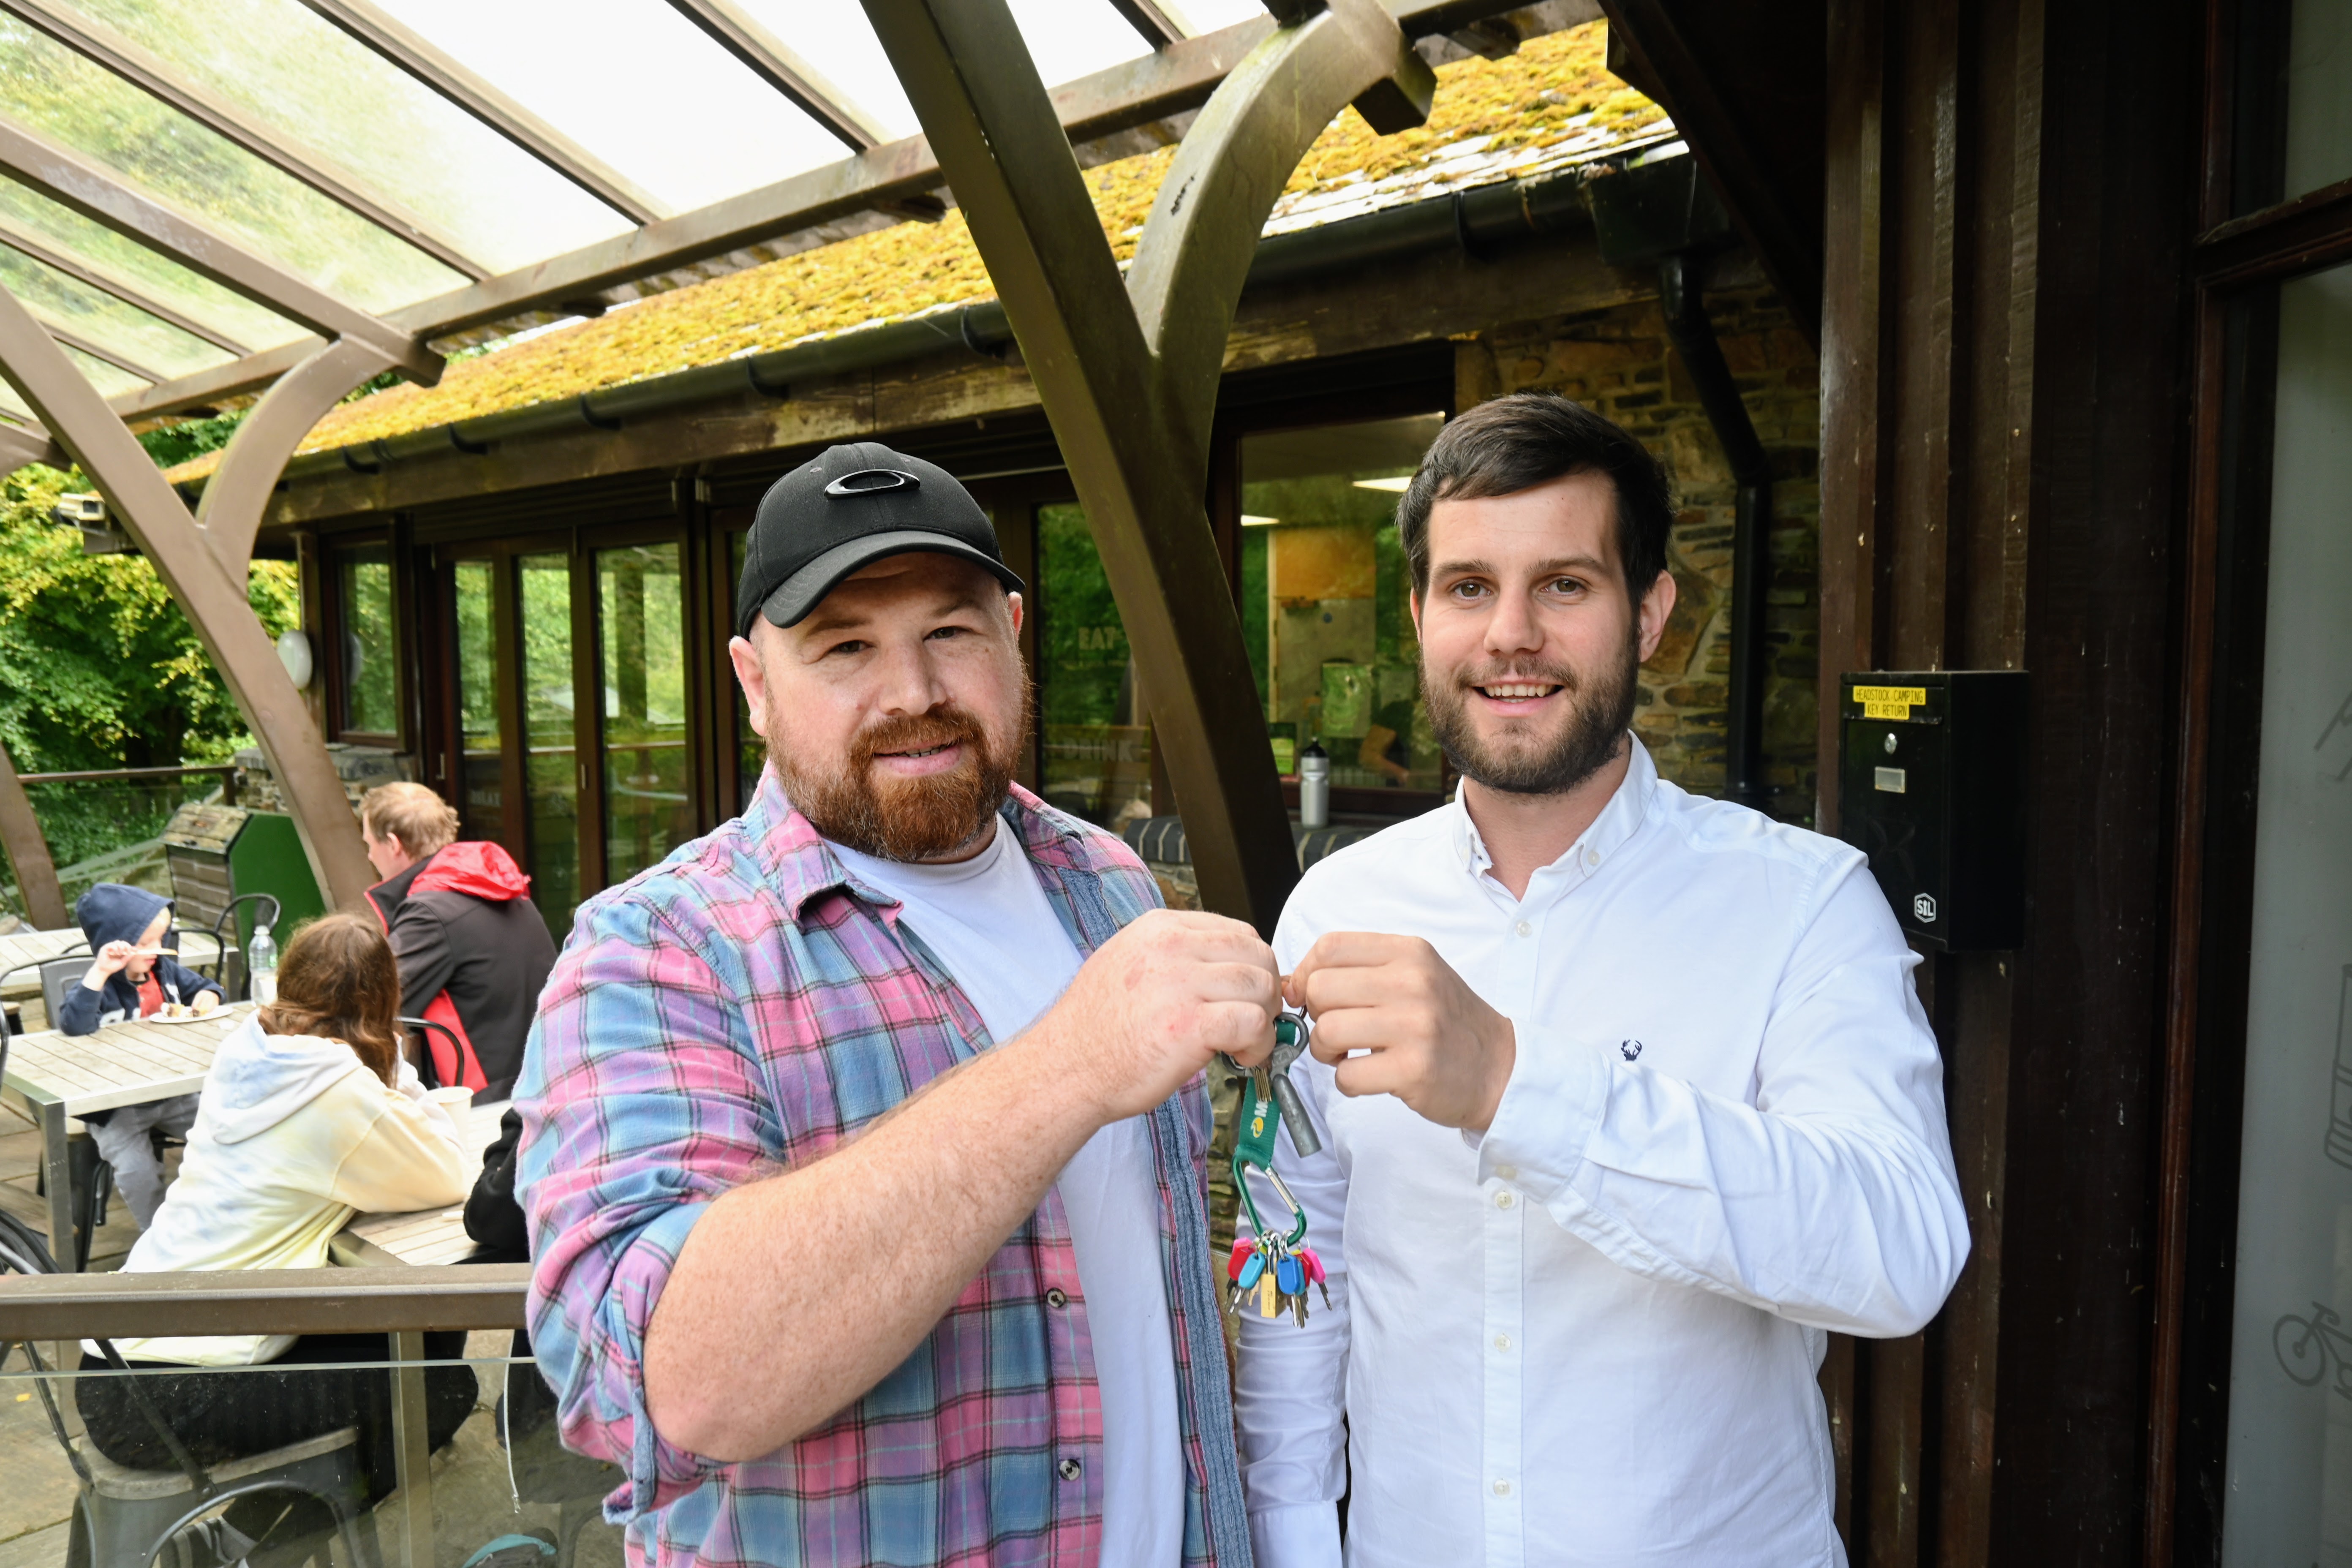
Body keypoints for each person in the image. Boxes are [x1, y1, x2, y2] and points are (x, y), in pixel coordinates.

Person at [1234, 393, 1972, 1567]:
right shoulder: (1335, 907)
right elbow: (1293, 1245)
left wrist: (1516, 1086)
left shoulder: (1805, 904)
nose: (1510, 634)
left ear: (1651, 614)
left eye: (1565, 585)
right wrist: (1288, 1533)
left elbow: (1900, 1255)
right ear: (1420, 614)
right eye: (1469, 587)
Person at [520, 442, 1280, 1566]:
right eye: (846, 647)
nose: (915, 693)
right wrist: (1069, 1066)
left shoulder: (1108, 882)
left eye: (950, 632)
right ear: (754, 683)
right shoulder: (657, 951)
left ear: (1012, 636)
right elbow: (670, 1389)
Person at [74, 913, 479, 1554]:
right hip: (173, 1399)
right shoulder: (337, 1090)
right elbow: (449, 1174)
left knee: (400, 1350)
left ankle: (233, 1540)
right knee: (435, 1390)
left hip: (117, 1364)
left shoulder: (253, 1045)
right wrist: (393, 1062)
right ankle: (246, 1553)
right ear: (383, 998)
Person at [361, 780, 557, 1100]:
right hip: (541, 1079)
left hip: (485, 1104)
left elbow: (370, 1004)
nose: (370, 855)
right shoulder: (501, 887)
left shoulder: (430, 913)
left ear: (394, 845)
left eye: (369, 844)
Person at [57, 883, 223, 1227]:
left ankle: (217, 1214)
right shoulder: (100, 986)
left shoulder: (166, 972)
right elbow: (74, 1024)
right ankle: (158, 1234)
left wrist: (210, 994)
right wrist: (101, 971)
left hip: (172, 1094)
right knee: (138, 1172)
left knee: (225, 1135)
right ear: (114, 944)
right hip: (116, 1107)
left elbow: (207, 987)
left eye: (160, 939)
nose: (157, 949)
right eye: (145, 943)